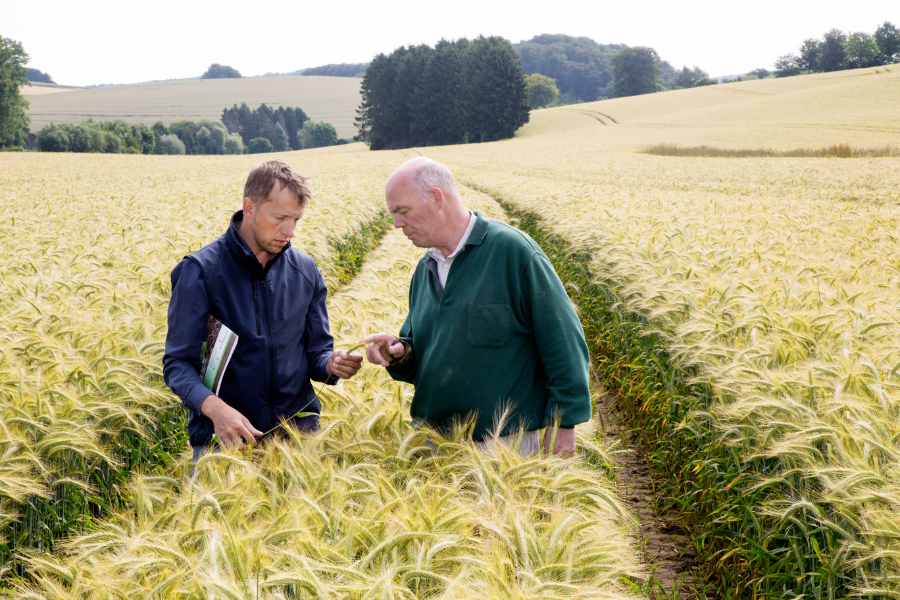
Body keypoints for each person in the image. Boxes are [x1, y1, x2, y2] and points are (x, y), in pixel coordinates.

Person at [364, 157, 591, 455]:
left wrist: (564, 425)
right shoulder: (425, 269)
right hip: (434, 446)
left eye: (402, 211)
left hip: (505, 446)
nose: (396, 224)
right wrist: (399, 353)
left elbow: (564, 343)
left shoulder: (514, 253)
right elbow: (426, 356)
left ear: (436, 198)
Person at [164, 160, 362, 460]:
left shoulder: (306, 271)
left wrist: (332, 364)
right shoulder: (200, 272)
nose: (290, 231)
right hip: (224, 446)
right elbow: (177, 365)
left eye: (296, 219)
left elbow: (317, 353)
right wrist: (217, 410)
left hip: (298, 446)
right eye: (280, 217)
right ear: (250, 207)